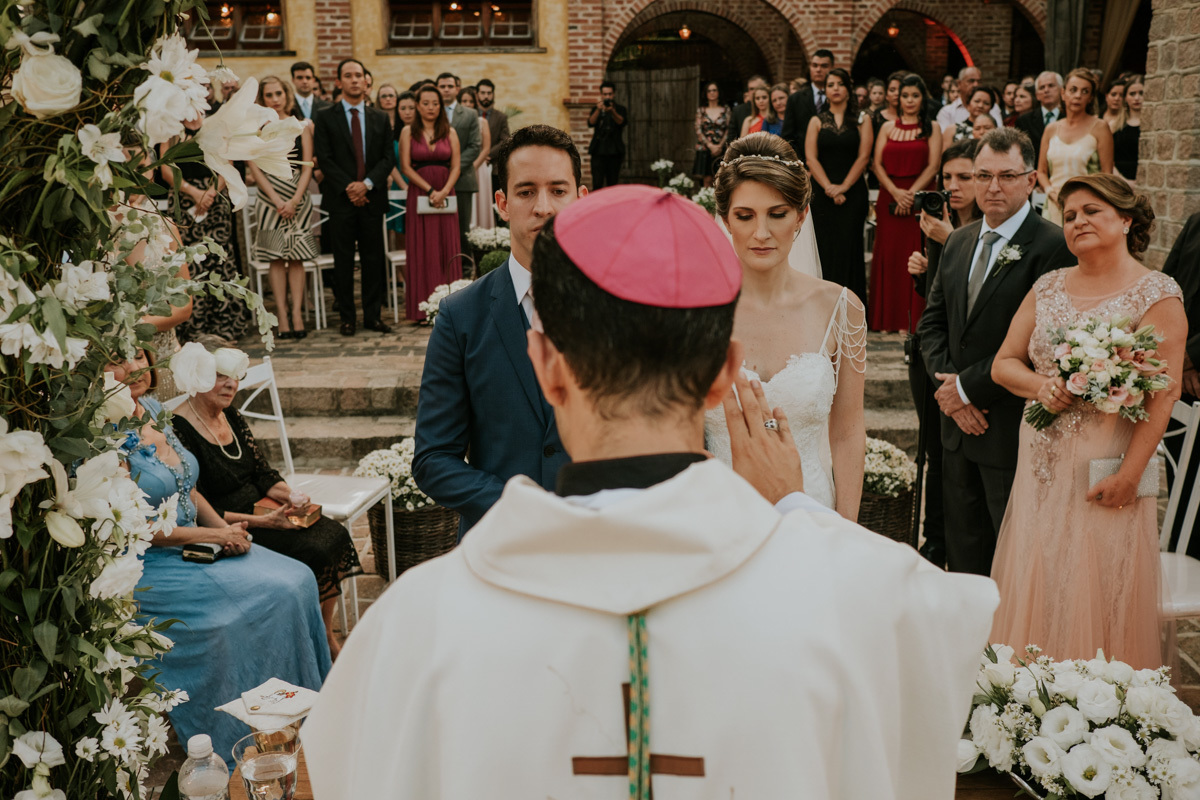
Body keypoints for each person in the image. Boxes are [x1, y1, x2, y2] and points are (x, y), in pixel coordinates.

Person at [303, 182, 999, 800]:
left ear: (547, 366)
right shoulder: (864, 602)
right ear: (725, 372)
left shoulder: (417, 625)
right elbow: (940, 646)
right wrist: (796, 512)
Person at [989, 174, 1184, 667]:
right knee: (1040, 566)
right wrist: (1042, 386)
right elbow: (1003, 363)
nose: (1077, 221)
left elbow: (1164, 393)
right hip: (1041, 465)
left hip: (1107, 467)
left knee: (1100, 578)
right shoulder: (1048, 285)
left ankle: (1099, 699)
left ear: (1126, 220)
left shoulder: (1157, 293)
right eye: (1070, 215)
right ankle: (1028, 694)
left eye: (1092, 211)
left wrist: (1130, 476)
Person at [113, 350, 330, 768]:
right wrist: (215, 534)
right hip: (147, 562)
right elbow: (139, 526)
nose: (133, 368)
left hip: (198, 542)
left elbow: (188, 489)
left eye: (138, 356)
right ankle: (241, 742)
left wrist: (230, 533)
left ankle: (302, 715)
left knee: (298, 579)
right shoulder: (104, 436)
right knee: (235, 619)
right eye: (118, 361)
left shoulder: (155, 410)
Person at [917, 127, 1075, 576]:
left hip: (1010, 427)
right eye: (982, 175)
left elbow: (1046, 345)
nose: (992, 187)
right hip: (956, 427)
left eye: (1006, 176)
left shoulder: (1054, 246)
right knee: (964, 556)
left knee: (1015, 562)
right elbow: (932, 324)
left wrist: (967, 390)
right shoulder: (958, 240)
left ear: (1030, 180)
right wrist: (951, 391)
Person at [413, 125, 584, 536]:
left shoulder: (623, 306)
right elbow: (433, 459)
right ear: (503, 204)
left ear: (580, 198)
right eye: (526, 192)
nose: (543, 207)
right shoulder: (460, 316)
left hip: (600, 544)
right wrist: (520, 508)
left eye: (558, 190)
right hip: (500, 541)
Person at [705, 132, 867, 519]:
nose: (761, 233)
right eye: (745, 216)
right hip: (719, 517)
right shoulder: (695, 310)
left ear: (801, 215)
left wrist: (846, 530)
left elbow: (847, 432)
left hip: (813, 516)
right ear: (726, 220)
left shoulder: (842, 309)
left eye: (777, 214)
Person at [172, 345, 363, 659]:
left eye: (235, 377)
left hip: (263, 508)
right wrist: (264, 522)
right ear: (197, 376)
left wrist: (291, 497)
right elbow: (196, 503)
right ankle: (306, 640)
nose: (231, 384)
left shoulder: (231, 415)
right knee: (314, 551)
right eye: (220, 376)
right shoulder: (179, 428)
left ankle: (325, 634)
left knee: (335, 535)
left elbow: (262, 471)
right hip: (229, 522)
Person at [906, 139, 982, 568]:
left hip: (969, 361)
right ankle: (933, 539)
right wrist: (923, 273)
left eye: (964, 177)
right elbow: (941, 299)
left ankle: (960, 542)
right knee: (935, 450)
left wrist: (950, 240)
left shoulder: (974, 231)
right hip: (933, 356)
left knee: (960, 458)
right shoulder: (938, 222)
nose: (954, 185)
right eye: (947, 177)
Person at [312, 58, 395, 336]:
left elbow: (388, 158)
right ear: (339, 82)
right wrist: (350, 187)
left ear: (366, 80)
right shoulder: (325, 116)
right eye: (348, 75)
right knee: (343, 261)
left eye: (358, 75)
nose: (355, 80)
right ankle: (347, 318)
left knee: (373, 260)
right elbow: (324, 157)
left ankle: (373, 316)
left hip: (372, 199)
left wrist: (366, 185)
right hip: (341, 200)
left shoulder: (380, 117)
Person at [159, 114, 253, 343]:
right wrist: (193, 192)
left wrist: (210, 193)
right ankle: (193, 328)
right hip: (183, 198)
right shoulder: (171, 129)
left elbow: (227, 166)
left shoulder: (217, 125)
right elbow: (165, 170)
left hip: (215, 200)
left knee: (218, 259)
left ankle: (224, 327)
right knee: (189, 262)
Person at [868, 74, 941, 333]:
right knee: (889, 255)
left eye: (915, 96)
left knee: (915, 252)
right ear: (898, 99)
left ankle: (911, 321)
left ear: (923, 99)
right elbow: (876, 164)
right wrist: (896, 193)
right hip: (890, 195)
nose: (910, 100)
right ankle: (886, 320)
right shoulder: (887, 127)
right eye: (905, 96)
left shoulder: (932, 127)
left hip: (920, 196)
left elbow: (933, 166)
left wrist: (910, 194)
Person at [248, 76, 318, 341]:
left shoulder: (302, 126)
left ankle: (298, 314)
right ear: (262, 99)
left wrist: (295, 200)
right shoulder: (256, 127)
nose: (275, 99)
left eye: (279, 93)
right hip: (269, 199)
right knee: (275, 257)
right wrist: (276, 200)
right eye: (269, 95)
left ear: (286, 94)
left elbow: (308, 165)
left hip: (297, 195)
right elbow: (254, 165)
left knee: (297, 257)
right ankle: (283, 316)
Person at [806, 67, 873, 304]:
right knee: (824, 247)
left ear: (848, 88)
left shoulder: (863, 119)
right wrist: (829, 187)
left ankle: (852, 305)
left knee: (849, 248)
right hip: (822, 193)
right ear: (825, 90)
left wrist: (843, 186)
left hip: (853, 194)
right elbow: (811, 158)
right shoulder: (816, 121)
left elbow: (864, 157)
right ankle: (823, 305)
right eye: (830, 85)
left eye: (840, 84)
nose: (835, 88)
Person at [399, 84, 462, 323]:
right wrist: (430, 191)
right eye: (426, 103)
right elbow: (405, 167)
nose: (431, 108)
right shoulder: (408, 131)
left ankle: (451, 307)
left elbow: (456, 166)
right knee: (422, 248)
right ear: (417, 105)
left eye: (435, 103)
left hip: (446, 193)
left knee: (447, 245)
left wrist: (444, 191)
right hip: (420, 192)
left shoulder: (450, 132)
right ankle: (422, 309)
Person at [1162, 212, 1200, 557]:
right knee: (1182, 494)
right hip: (1183, 385)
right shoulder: (1196, 222)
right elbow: (1167, 288)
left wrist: (1191, 355)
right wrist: (1177, 356)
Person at [1038, 68, 1115, 226]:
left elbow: (1107, 175)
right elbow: (1041, 171)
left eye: (1085, 91)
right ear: (1063, 93)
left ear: (1091, 98)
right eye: (1073, 90)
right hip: (1054, 205)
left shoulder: (1100, 127)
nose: (1078, 95)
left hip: (1087, 208)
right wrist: (1050, 192)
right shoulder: (1051, 129)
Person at [438, 73, 483, 257]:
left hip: (463, 179)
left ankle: (464, 266)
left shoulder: (470, 114)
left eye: (450, 86)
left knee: (461, 228)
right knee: (438, 229)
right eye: (442, 86)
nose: (446, 90)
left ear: (457, 89)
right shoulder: (431, 113)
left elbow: (475, 146)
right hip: (435, 181)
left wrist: (452, 168)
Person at [781, 49, 834, 157]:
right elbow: (788, 136)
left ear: (831, 68)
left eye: (824, 66)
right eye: (815, 65)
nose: (818, 69)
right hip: (802, 159)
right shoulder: (795, 99)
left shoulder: (837, 98)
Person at [458, 86, 494, 230]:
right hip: (460, 167)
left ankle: (482, 233)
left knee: (480, 202)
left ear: (475, 103)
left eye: (470, 101)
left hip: (478, 168)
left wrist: (473, 166)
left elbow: (486, 148)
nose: (467, 104)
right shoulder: (454, 122)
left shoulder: (481, 121)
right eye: (464, 101)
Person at [386, 91, 415, 253]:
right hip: (400, 185)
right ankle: (402, 270)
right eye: (403, 108)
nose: (407, 112)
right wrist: (403, 186)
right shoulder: (391, 135)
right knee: (400, 234)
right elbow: (389, 163)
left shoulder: (422, 134)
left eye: (411, 108)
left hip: (420, 183)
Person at [587, 81, 627, 189]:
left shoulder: (620, 109)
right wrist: (598, 110)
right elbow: (591, 123)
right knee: (597, 183)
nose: (607, 97)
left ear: (614, 94)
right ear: (601, 95)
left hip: (615, 151)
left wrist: (612, 111)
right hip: (598, 150)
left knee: (612, 183)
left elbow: (621, 122)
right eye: (605, 94)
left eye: (610, 94)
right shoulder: (597, 108)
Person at [1015, 70, 1064, 157]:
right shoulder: (1024, 121)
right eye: (1042, 87)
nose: (1046, 90)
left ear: (1061, 90)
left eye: (1051, 86)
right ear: (1037, 95)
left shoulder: (1070, 117)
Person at [936, 67, 1003, 129]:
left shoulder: (993, 107)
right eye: (971, 81)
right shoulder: (947, 112)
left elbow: (999, 133)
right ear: (959, 83)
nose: (976, 85)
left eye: (979, 81)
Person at [693, 81, 730, 187]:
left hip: (721, 148)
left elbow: (729, 128)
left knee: (721, 178)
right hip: (705, 148)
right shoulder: (701, 110)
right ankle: (706, 197)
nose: (712, 93)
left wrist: (720, 146)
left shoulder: (725, 109)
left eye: (714, 90)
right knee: (707, 179)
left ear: (718, 92)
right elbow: (698, 129)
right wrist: (710, 145)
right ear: (706, 94)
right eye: (709, 91)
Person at [1112, 75, 1143, 182]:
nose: (1137, 98)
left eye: (1141, 93)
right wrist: (1123, 181)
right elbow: (1108, 159)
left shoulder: (1152, 126)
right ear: (1125, 97)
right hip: (1119, 182)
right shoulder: (1114, 126)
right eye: (1132, 94)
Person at [476, 78, 510, 162]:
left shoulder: (501, 117)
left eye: (489, 93)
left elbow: (505, 140)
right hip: (472, 162)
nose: (486, 96)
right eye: (483, 93)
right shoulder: (471, 115)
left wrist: (486, 155)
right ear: (477, 94)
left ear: (493, 94)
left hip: (493, 163)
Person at [728, 75, 767, 145]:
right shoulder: (738, 110)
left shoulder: (775, 112)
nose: (754, 91)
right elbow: (732, 137)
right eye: (751, 89)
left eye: (757, 88)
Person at [871, 70, 905, 136]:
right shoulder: (877, 116)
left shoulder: (913, 118)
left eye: (900, 89)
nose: (897, 93)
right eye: (892, 90)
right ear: (886, 95)